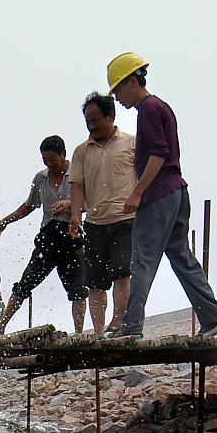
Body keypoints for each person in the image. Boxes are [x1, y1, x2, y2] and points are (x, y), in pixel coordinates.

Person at [103, 52, 217, 341]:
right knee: (181, 257)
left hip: (159, 195)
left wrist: (137, 192)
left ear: (132, 81)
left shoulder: (148, 109)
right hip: (176, 192)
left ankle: (131, 328)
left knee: (142, 259)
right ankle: (213, 316)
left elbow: (159, 153)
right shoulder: (160, 107)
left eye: (118, 89)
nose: (117, 97)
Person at [0, 137, 88, 335]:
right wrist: (5, 222)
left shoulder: (77, 175)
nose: (50, 164)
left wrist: (70, 204)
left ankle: (78, 333)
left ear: (63, 155)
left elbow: (91, 202)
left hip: (72, 234)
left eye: (53, 159)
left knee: (78, 289)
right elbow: (28, 205)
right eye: (45, 160)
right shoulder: (40, 178)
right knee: (26, 282)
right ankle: (1, 326)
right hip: (49, 237)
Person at [69, 92, 136, 337]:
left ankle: (118, 324)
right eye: (88, 121)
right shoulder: (81, 151)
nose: (92, 125)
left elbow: (142, 179)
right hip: (95, 223)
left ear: (111, 116)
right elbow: (77, 184)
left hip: (125, 220)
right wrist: (75, 215)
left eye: (97, 120)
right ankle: (99, 332)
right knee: (95, 281)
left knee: (122, 273)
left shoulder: (131, 143)